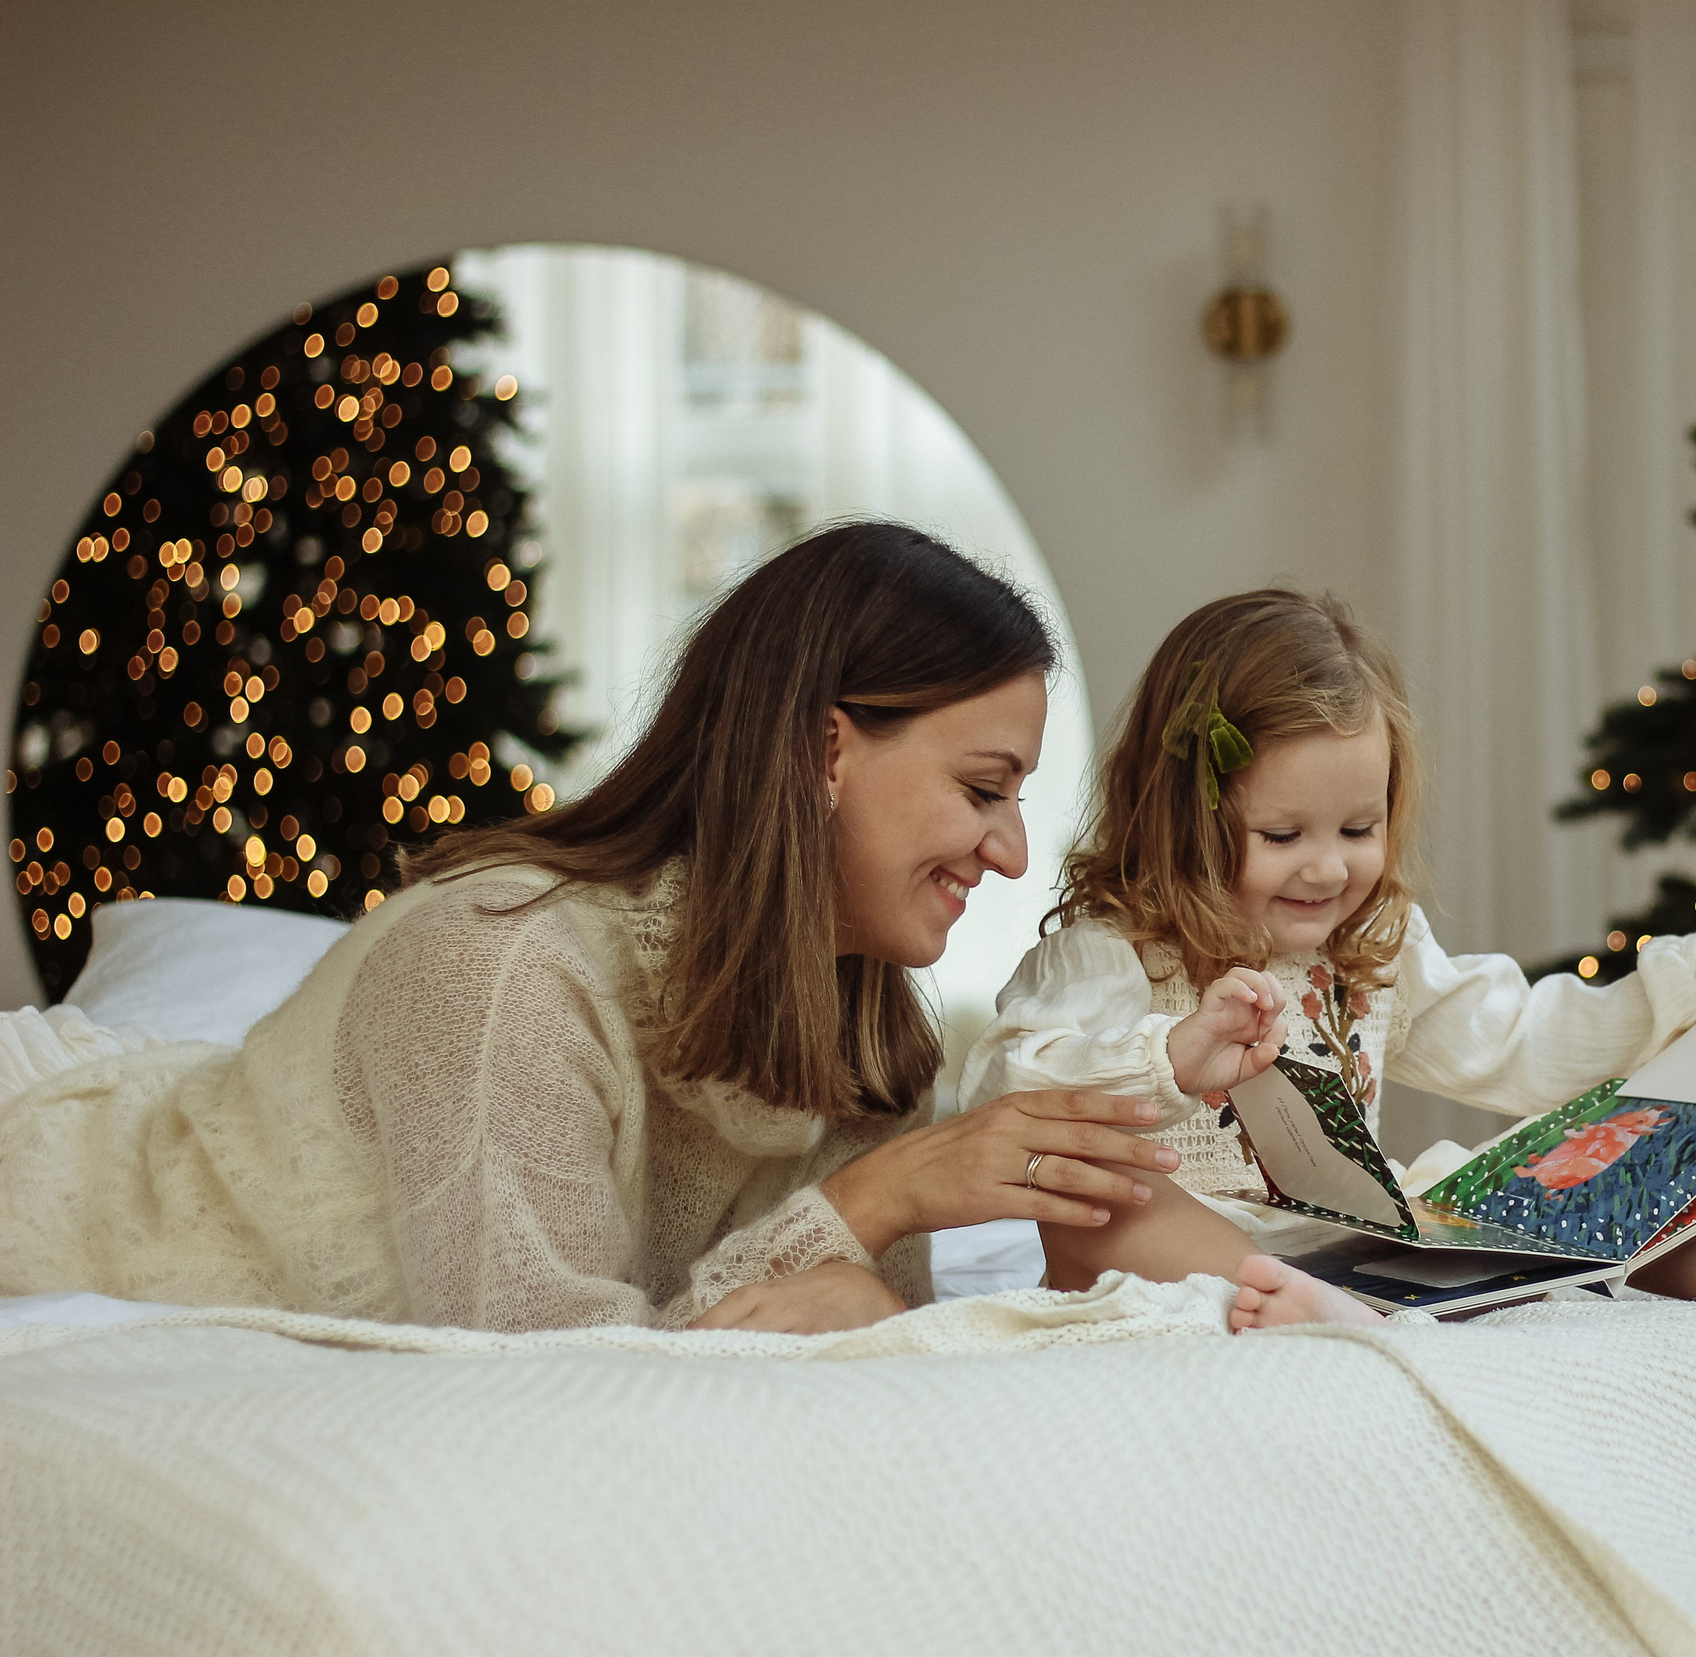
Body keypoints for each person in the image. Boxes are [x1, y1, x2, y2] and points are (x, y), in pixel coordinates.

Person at [0, 524, 1177, 1333]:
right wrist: (877, 1202)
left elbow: (843, 1332)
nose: (1015, 852)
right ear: (826, 751)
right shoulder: (498, 966)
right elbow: (544, 1372)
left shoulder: (865, 1034)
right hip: (70, 1213)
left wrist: (869, 1260)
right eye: (983, 789)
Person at [959, 589, 1696, 1329]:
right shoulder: (1115, 951)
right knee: (1104, 1198)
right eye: (1283, 837)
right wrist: (1174, 1056)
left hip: (1351, 1248)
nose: (1327, 868)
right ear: (1185, 814)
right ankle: (1329, 1310)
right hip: (1197, 1256)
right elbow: (1015, 1087)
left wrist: (1691, 982)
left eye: (1358, 828)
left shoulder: (1373, 951)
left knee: (1556, 1182)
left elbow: (1523, 1042)